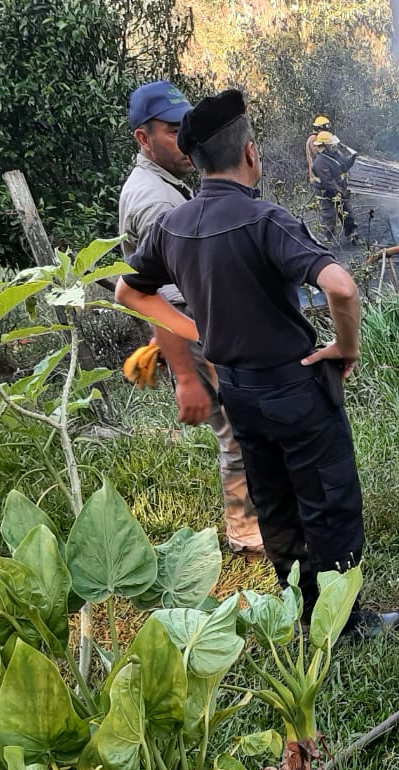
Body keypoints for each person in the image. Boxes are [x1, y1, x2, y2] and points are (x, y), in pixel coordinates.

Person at [116, 89, 399, 638]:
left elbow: (130, 294)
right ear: (251, 153)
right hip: (294, 386)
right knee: (328, 499)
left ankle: (297, 608)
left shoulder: (172, 225)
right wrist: (347, 346)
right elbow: (341, 287)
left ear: (195, 161)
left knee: (273, 501)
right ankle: (341, 624)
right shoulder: (266, 219)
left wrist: (199, 330)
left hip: (240, 394)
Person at [118, 80, 264, 558]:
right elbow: (155, 296)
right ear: (143, 138)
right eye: (171, 131)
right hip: (196, 333)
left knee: (245, 427)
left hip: (205, 328)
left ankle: (255, 522)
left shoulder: (166, 185)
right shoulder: (156, 202)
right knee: (238, 433)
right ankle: (246, 534)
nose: (184, 141)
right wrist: (184, 375)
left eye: (186, 128)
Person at [310, 131, 358, 243]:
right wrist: (340, 192)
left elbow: (344, 167)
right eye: (331, 145)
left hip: (339, 190)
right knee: (328, 217)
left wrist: (352, 159)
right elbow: (327, 183)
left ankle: (352, 235)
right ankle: (325, 241)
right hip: (326, 195)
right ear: (325, 146)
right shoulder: (320, 162)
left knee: (347, 213)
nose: (334, 146)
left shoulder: (336, 155)